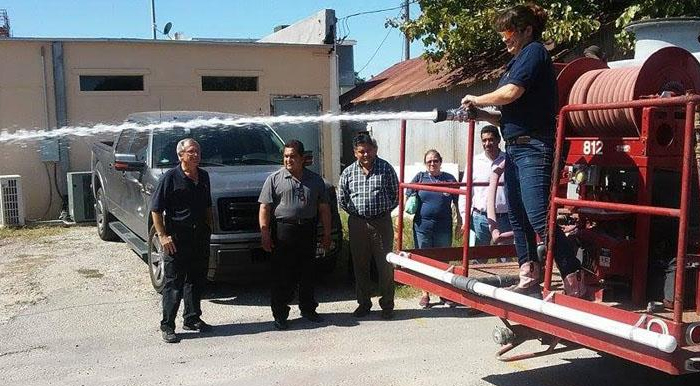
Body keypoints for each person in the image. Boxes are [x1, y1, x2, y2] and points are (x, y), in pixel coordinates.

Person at [460, 3, 588, 297]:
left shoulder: (534, 53)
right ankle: (528, 271)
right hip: (515, 147)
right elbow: (508, 112)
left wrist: (478, 99)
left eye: (508, 31)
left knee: (538, 214)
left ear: (527, 30)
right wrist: (481, 115)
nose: (504, 38)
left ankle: (571, 274)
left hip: (533, 147)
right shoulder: (515, 62)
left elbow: (510, 94)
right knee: (517, 213)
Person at [258, 139, 332, 330]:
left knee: (307, 271)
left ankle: (308, 309)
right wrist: (265, 232)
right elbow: (265, 207)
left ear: (302, 158)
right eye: (286, 156)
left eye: (292, 156)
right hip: (283, 231)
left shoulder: (316, 181)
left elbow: (324, 209)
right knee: (282, 274)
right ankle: (280, 314)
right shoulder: (274, 179)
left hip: (308, 229)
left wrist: (326, 234)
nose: (288, 160)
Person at [151, 138, 213, 343]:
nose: (196, 155)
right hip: (177, 239)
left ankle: (192, 318)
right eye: (191, 152)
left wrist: (208, 228)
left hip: (199, 238)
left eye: (198, 151)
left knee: (196, 280)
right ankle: (168, 325)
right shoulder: (170, 178)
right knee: (174, 284)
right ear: (181, 155)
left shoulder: (203, 176)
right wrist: (162, 236)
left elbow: (207, 206)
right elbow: (156, 210)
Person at [339, 133, 399, 319]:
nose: (365, 154)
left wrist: (380, 213)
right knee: (360, 265)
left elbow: (395, 195)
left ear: (375, 150)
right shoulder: (348, 172)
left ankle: (387, 305)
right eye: (361, 151)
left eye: (368, 150)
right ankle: (364, 303)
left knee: (385, 265)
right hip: (358, 223)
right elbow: (342, 198)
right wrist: (358, 215)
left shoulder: (386, 168)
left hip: (381, 223)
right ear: (355, 152)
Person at [406, 149, 460, 308]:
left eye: (435, 160)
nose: (432, 164)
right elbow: (408, 194)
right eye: (429, 161)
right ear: (425, 163)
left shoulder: (449, 179)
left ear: (440, 162)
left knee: (443, 260)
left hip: (444, 225)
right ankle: (425, 294)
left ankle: (444, 293)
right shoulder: (420, 177)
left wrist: (460, 221)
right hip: (422, 226)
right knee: (424, 260)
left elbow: (457, 202)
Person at [459, 125, 512, 258]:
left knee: (505, 258)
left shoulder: (509, 160)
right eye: (484, 140)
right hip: (481, 218)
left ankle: (505, 279)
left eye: (491, 139)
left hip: (504, 217)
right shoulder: (474, 162)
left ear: (499, 140)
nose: (487, 143)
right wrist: (465, 217)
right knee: (479, 257)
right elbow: (465, 190)